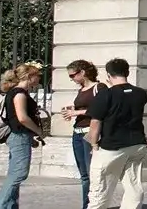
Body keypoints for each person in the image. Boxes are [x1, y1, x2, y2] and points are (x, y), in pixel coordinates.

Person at [86, 58, 147, 209]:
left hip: (112, 146)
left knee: (100, 191)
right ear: (127, 72)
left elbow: (95, 123)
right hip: (137, 144)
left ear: (108, 75)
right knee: (134, 187)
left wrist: (94, 145)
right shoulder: (141, 93)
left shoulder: (106, 94)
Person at [0, 63, 46, 209]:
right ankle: (1, 206)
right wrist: (38, 131)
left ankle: (10, 206)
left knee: (15, 173)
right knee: (19, 174)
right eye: (37, 75)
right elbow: (22, 118)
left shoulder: (16, 92)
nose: (39, 78)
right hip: (19, 136)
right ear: (29, 77)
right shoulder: (19, 93)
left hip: (20, 135)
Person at [61, 60, 102, 209]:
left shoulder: (99, 87)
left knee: (92, 173)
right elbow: (83, 106)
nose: (72, 79)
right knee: (84, 174)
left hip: (89, 132)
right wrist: (71, 110)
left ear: (82, 73)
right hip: (77, 133)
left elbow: (101, 109)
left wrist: (76, 112)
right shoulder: (82, 89)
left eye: (73, 75)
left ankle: (94, 204)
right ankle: (87, 205)